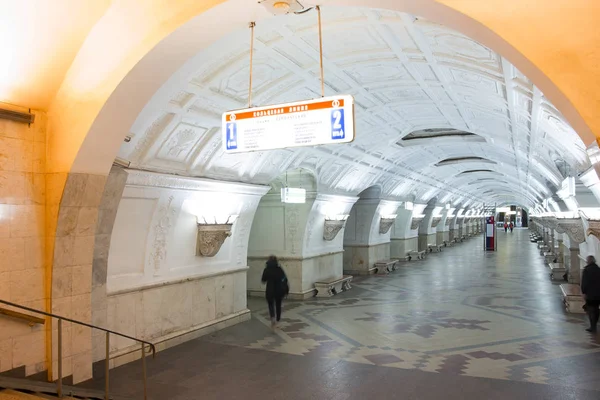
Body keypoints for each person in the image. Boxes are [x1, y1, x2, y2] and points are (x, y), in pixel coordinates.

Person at [261, 255, 289, 330]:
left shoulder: (266, 269)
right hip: (279, 290)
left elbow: (263, 280)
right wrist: (286, 289)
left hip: (270, 290)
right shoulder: (279, 269)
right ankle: (278, 319)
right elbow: (284, 279)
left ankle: (273, 318)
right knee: (278, 304)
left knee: (270, 305)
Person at [581, 255, 600, 333]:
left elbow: (584, 283)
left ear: (588, 261)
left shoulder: (586, 270)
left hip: (590, 294)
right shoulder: (599, 269)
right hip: (599, 294)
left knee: (591, 310)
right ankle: (595, 323)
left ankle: (593, 327)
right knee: (596, 308)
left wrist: (584, 292)